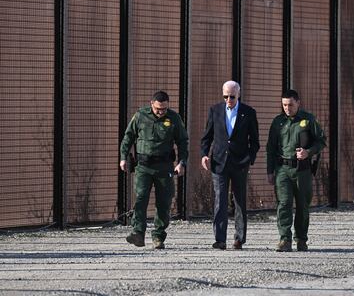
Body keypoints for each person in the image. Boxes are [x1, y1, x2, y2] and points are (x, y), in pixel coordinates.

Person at [120, 91, 188, 249]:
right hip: (143, 166)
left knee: (164, 202)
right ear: (152, 104)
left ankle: (158, 236)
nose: (161, 112)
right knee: (141, 198)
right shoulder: (140, 116)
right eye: (158, 109)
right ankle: (138, 233)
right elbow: (128, 137)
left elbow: (183, 141)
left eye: (164, 109)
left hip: (164, 167)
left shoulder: (174, 118)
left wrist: (181, 162)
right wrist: (124, 157)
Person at [201, 80, 260, 250]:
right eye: (225, 96)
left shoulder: (248, 113)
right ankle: (220, 239)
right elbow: (207, 136)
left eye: (232, 96)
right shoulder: (215, 111)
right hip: (219, 162)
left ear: (238, 95)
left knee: (239, 200)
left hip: (239, 163)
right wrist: (205, 154)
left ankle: (239, 238)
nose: (228, 99)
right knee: (220, 200)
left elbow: (254, 141)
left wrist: (249, 158)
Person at [266, 89, 326, 252]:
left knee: (302, 205)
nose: (287, 108)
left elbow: (321, 141)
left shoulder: (308, 120)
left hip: (302, 170)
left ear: (298, 103)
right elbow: (270, 148)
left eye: (290, 105)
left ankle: (301, 239)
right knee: (284, 203)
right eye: (284, 105)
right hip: (282, 169)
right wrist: (270, 171)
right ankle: (285, 239)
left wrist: (308, 152)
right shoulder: (278, 122)